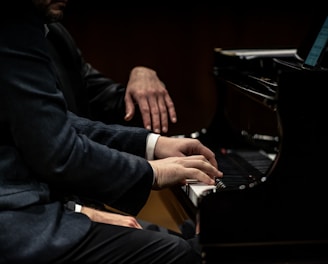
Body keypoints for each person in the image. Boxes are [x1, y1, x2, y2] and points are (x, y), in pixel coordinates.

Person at [0, 1, 223, 263]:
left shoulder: (53, 33)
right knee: (184, 253)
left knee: (190, 241)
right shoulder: (13, 23)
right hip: (18, 223)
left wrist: (151, 144)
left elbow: (58, 122)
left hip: (34, 206)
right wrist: (152, 172)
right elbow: (58, 153)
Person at [46, 14, 177, 134]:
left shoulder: (56, 34)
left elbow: (104, 100)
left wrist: (142, 79)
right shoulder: (29, 42)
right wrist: (149, 145)